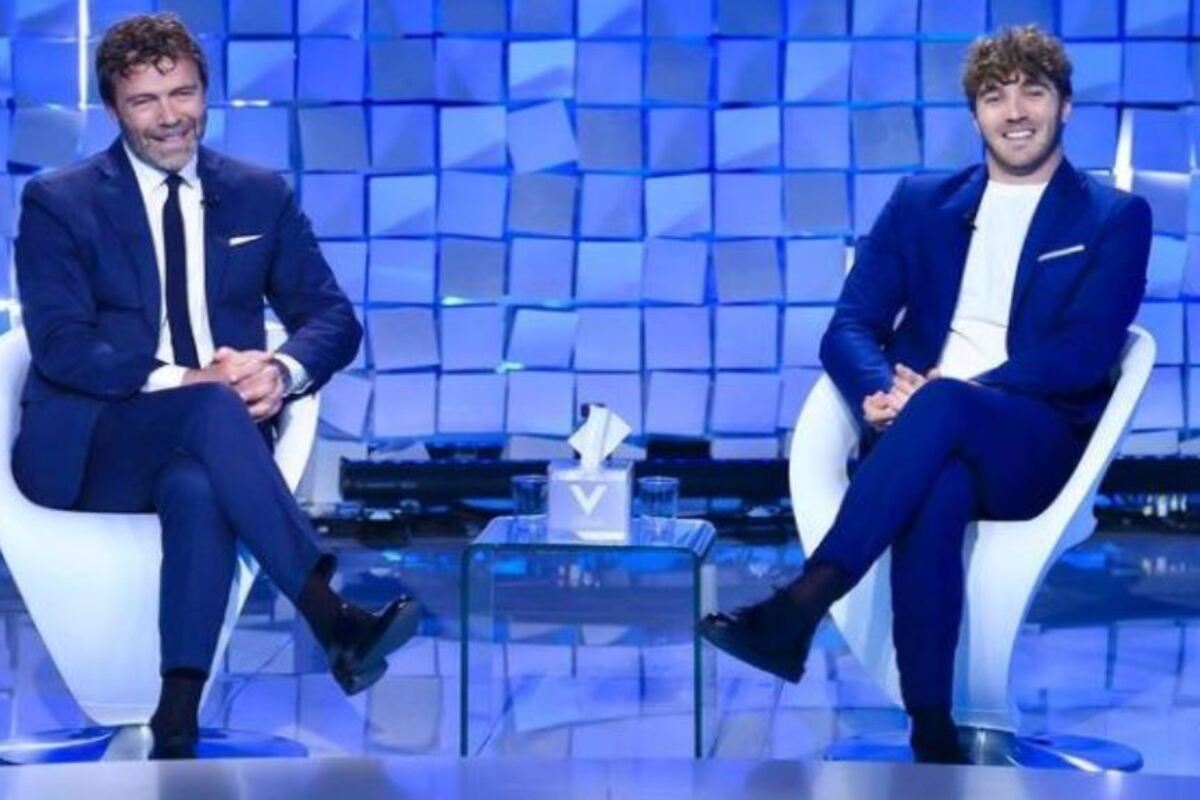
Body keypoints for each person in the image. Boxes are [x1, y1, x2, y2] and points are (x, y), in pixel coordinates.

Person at [699, 25, 1151, 763]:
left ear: (1065, 106)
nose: (1015, 112)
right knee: (938, 486)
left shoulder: (1113, 217)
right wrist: (879, 392)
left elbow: (1085, 352)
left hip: (1033, 442)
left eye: (1033, 93)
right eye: (995, 97)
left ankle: (801, 604)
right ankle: (933, 731)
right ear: (975, 114)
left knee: (942, 410)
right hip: (921, 433)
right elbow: (850, 325)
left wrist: (951, 393)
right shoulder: (920, 204)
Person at [12, 13, 419, 759]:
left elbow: (331, 317)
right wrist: (191, 379)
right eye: (145, 100)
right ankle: (328, 613)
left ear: (206, 92)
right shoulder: (59, 201)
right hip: (95, 443)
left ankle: (176, 718)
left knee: (198, 483)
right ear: (114, 109)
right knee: (206, 405)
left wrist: (280, 370)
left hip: (214, 445)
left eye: (184, 93)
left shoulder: (258, 195)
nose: (170, 116)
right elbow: (63, 345)